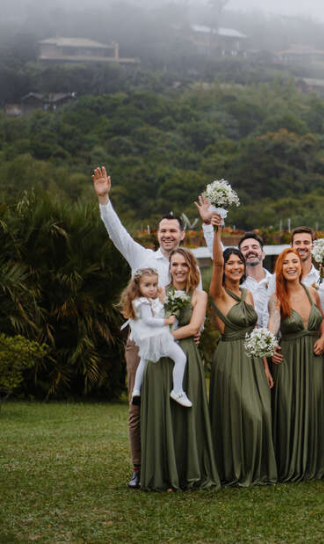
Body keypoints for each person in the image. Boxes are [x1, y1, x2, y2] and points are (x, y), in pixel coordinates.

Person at [92, 165, 192, 489]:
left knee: (172, 401)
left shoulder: (186, 268)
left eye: (173, 231)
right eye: (163, 230)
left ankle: (170, 464)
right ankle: (138, 466)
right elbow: (117, 233)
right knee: (138, 403)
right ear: (157, 233)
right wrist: (105, 199)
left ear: (181, 235)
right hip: (141, 344)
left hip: (173, 340)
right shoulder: (142, 258)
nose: (167, 235)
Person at [140, 249, 219, 491]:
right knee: (162, 410)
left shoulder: (200, 295)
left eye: (184, 264)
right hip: (159, 360)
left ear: (192, 267)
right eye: (175, 264)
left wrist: (164, 336)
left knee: (186, 412)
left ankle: (188, 472)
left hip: (186, 355)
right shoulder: (159, 291)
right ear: (169, 267)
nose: (179, 269)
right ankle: (162, 473)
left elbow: (195, 327)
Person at [207, 217, 277, 487]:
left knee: (263, 414)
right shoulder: (217, 293)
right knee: (245, 413)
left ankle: (257, 470)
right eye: (230, 263)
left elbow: (257, 331)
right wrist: (216, 231)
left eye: (238, 262)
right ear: (223, 268)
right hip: (230, 357)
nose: (235, 266)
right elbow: (214, 262)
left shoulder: (247, 295)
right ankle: (235, 469)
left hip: (252, 358)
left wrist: (265, 367)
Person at [267, 248, 324, 482]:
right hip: (289, 358)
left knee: (313, 406)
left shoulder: (312, 292)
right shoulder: (276, 299)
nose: (291, 266)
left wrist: (323, 338)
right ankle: (290, 465)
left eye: (295, 261)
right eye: (286, 263)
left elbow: (321, 318)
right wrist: (270, 348)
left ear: (301, 266)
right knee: (288, 408)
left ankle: (312, 465)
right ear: (280, 268)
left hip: (313, 357)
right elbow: (273, 329)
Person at [119, 268, 192, 409]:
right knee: (180, 358)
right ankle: (177, 391)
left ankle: (136, 390)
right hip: (158, 337)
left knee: (144, 361)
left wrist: (161, 296)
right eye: (147, 285)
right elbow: (148, 321)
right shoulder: (144, 303)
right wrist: (167, 322)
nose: (152, 289)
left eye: (154, 284)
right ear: (137, 286)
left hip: (148, 339)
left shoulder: (143, 301)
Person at [199, 198, 275, 328]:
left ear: (263, 254)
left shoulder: (275, 281)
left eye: (254, 247)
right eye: (245, 249)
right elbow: (217, 256)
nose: (250, 250)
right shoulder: (235, 281)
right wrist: (207, 225)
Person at [290, 226, 324, 343]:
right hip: (289, 341)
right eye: (297, 243)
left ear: (313, 247)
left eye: (306, 242)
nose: (302, 246)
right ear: (291, 246)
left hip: (317, 341)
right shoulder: (279, 279)